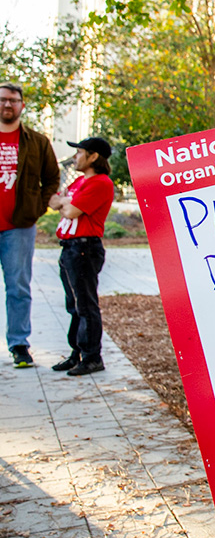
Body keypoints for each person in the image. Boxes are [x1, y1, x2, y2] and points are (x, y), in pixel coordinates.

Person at [0, 82, 61, 368]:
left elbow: (51, 179)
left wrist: (39, 208)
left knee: (18, 288)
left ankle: (19, 345)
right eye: (2, 100)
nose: (7, 105)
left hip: (19, 226)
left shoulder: (37, 142)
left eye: (13, 100)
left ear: (22, 105)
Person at [47, 138, 115, 377]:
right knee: (73, 304)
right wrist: (66, 202)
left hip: (85, 249)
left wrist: (66, 202)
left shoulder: (101, 183)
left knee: (86, 304)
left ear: (93, 156)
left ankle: (92, 356)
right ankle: (77, 353)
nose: (75, 157)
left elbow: (71, 210)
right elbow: (55, 201)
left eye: (79, 153)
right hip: (69, 248)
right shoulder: (79, 182)